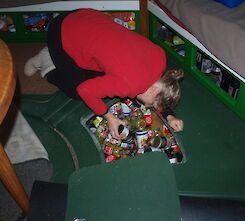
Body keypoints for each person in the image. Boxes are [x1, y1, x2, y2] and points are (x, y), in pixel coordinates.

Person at [24, 8, 184, 139]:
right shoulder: (128, 84)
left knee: (101, 78)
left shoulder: (160, 58)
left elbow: (161, 89)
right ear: (155, 90)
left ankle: (58, 56)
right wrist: (110, 118)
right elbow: (84, 90)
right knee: (76, 89)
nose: (147, 106)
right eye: (151, 104)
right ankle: (47, 62)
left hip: (86, 15)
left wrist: (169, 115)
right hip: (60, 32)